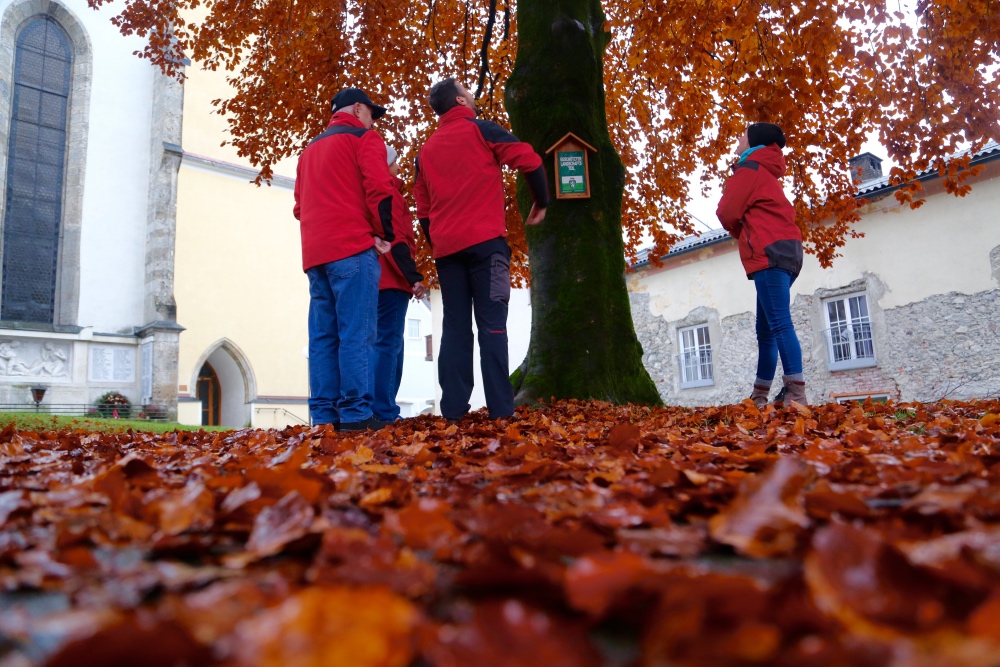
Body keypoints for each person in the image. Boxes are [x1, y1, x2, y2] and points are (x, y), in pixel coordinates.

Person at [414, 78, 548, 421]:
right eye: (468, 92)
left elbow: (423, 211)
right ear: (460, 100)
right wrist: (541, 202)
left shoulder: (425, 152)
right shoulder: (482, 130)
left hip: (447, 252)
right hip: (487, 248)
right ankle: (502, 412)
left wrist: (440, 243)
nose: (473, 97)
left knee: (456, 329)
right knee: (492, 326)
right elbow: (529, 160)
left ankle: (454, 413)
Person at [293, 87, 397, 431]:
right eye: (371, 112)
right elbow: (380, 189)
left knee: (323, 335)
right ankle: (355, 414)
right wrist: (385, 234)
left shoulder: (309, 151)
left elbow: (299, 206)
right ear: (356, 109)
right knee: (357, 332)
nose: (373, 120)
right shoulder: (365, 139)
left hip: (315, 253)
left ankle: (323, 417)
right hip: (352, 247)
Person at [716, 122, 806, 408]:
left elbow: (726, 211)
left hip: (769, 252)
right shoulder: (766, 171)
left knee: (779, 324)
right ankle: (759, 396)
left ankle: (796, 394)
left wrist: (740, 228)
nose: (738, 138)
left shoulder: (750, 170)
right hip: (787, 252)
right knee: (766, 329)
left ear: (753, 141)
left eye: (742, 135)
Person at [372, 146, 426, 421]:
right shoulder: (390, 194)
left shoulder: (367, 192)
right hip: (391, 281)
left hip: (373, 280)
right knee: (388, 344)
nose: (397, 168)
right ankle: (383, 410)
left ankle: (376, 407)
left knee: (378, 344)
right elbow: (397, 241)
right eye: (394, 163)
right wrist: (412, 278)